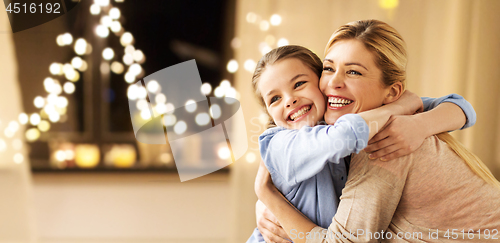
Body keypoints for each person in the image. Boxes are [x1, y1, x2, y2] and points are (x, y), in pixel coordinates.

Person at [254, 19, 500, 242]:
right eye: (329, 69)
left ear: (391, 92)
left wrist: (270, 199)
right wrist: (404, 107)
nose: (334, 83)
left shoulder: (388, 140)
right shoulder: (378, 119)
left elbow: (461, 106)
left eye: (353, 72)